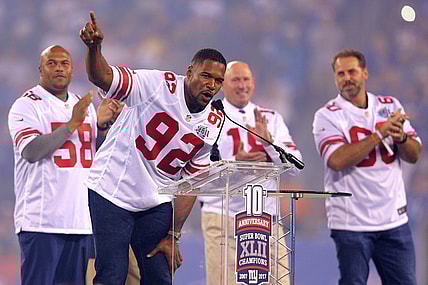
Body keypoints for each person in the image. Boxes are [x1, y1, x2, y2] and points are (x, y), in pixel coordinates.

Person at [79, 11, 227, 284]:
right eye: (206, 76)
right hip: (112, 191)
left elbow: (192, 182)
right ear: (189, 71)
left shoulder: (215, 121)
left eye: (218, 81)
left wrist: (174, 234)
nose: (211, 85)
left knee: (160, 276)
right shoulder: (156, 84)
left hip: (155, 200)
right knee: (112, 274)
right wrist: (94, 49)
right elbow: (103, 78)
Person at [7, 45, 121, 285]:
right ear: (40, 69)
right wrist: (72, 124)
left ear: (72, 69)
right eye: (52, 63)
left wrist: (100, 127)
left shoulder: (82, 104)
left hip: (79, 220)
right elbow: (31, 151)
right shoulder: (27, 105)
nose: (59, 67)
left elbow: (92, 156)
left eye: (64, 63)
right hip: (41, 221)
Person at [312, 48, 422, 284]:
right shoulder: (327, 115)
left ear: (365, 73)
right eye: (340, 74)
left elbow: (414, 155)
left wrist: (401, 137)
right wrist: (380, 134)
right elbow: (337, 160)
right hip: (352, 222)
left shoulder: (390, 105)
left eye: (352, 71)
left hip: (393, 219)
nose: (347, 78)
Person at [199, 61, 302, 285]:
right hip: (223, 216)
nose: (242, 85)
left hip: (267, 217)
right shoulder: (208, 118)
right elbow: (197, 171)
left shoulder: (271, 118)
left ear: (253, 83)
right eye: (235, 79)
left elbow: (296, 165)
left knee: (280, 282)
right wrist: (236, 164)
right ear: (223, 84)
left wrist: (269, 144)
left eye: (246, 79)